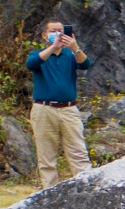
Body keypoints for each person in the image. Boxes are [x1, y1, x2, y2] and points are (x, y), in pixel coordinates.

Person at [25, 18, 92, 189]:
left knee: (78, 152)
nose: (57, 34)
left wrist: (74, 47)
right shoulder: (38, 55)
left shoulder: (70, 56)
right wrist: (52, 48)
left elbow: (85, 64)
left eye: (60, 31)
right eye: (53, 31)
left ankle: (86, 188)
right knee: (46, 155)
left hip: (68, 109)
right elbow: (31, 64)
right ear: (44, 35)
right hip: (44, 108)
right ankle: (50, 192)